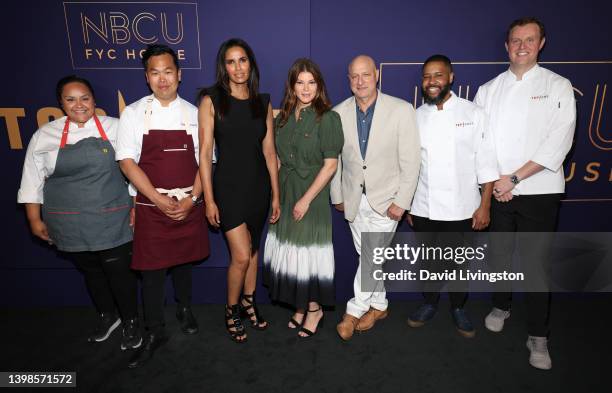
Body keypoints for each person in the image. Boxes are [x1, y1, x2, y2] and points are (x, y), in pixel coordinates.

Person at [474, 17, 576, 370]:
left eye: (529, 40)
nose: (522, 46)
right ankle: (501, 305)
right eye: (516, 40)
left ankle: (539, 336)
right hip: (498, 191)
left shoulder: (559, 86)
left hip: (539, 191)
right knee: (500, 256)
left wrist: (513, 179)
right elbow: (481, 143)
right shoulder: (488, 90)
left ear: (541, 44)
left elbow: (558, 143)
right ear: (506, 46)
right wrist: (495, 183)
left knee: (535, 265)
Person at [17, 75, 141, 350]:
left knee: (119, 271)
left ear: (94, 100)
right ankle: (107, 316)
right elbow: (32, 178)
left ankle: (132, 320)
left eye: (84, 98)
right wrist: (34, 218)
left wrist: (135, 205)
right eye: (70, 99)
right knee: (91, 271)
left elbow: (136, 170)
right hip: (68, 221)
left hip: (112, 215)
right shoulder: (45, 135)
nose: (79, 105)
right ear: (60, 103)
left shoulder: (117, 128)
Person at [116, 44, 210, 367]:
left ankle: (185, 308)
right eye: (155, 73)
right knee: (151, 273)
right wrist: (157, 199)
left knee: (184, 264)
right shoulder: (132, 113)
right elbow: (127, 162)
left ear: (179, 74)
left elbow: (207, 162)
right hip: (151, 205)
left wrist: (192, 198)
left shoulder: (196, 113)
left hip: (189, 201)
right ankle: (154, 329)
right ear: (147, 77)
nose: (162, 79)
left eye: (168, 71)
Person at [406, 55, 499, 338]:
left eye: (438, 75)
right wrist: (409, 204)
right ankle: (429, 302)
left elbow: (486, 163)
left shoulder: (474, 113)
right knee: (428, 260)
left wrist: (485, 206)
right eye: (426, 77)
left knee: (459, 263)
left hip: (462, 207)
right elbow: (410, 164)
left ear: (451, 77)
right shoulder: (416, 116)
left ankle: (458, 307)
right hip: (424, 206)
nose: (432, 81)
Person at [331, 55, 421, 341]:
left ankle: (354, 310)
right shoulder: (338, 113)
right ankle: (380, 305)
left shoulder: (401, 110)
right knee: (370, 256)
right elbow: (334, 159)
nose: (360, 82)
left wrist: (403, 201)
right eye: (354, 76)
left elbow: (411, 161)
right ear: (349, 80)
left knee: (370, 255)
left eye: (365, 75)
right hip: (354, 199)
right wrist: (337, 195)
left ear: (376, 75)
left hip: (388, 200)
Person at [199, 38, 280, 343]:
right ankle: (231, 309)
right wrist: (208, 199)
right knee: (242, 256)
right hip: (228, 188)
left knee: (254, 252)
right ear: (224, 66)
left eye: (242, 60)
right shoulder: (211, 100)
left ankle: (249, 302)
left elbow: (270, 152)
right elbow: (205, 153)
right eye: (231, 62)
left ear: (251, 63)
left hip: (258, 187)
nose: (237, 67)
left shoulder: (264, 102)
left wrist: (276, 195)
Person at [263, 58, 343, 338]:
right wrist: (276, 197)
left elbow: (330, 165)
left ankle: (314, 309)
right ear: (292, 85)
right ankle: (299, 306)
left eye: (311, 82)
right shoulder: (282, 118)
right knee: (291, 254)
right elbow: (279, 160)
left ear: (319, 85)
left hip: (312, 194)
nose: (306, 88)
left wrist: (306, 200)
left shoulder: (328, 118)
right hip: (286, 192)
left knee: (309, 256)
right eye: (300, 82)